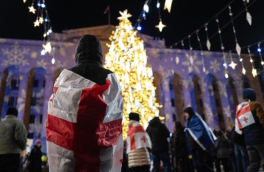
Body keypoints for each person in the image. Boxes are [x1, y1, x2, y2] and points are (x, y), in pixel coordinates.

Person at [46, 35, 124, 172]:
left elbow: (55, 111)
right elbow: (116, 114)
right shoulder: (110, 77)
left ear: (77, 54)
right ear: (100, 55)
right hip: (101, 157)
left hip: (69, 155)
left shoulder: (65, 77)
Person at [235, 88, 264, 172]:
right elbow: (262, 120)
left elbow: (239, 128)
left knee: (253, 164)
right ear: (252, 95)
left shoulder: (239, 109)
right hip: (260, 139)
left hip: (248, 142)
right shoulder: (255, 105)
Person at [184, 107, 214, 172]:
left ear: (189, 113)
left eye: (186, 113)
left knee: (201, 164)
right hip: (193, 148)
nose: (185, 115)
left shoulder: (195, 119)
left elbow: (201, 131)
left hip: (198, 146)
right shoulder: (189, 122)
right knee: (196, 166)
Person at [0, 107, 27, 172]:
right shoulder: (18, 123)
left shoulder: (0, 123)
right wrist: (23, 147)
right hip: (13, 155)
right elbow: (20, 138)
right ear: (16, 114)